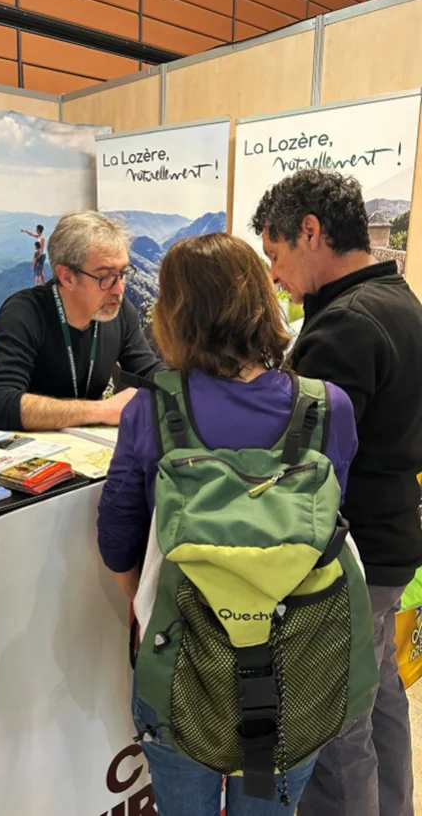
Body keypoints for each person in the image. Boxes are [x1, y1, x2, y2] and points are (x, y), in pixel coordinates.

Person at [97, 233, 359, 816]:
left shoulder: (150, 409)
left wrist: (151, 603)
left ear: (173, 316)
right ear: (262, 303)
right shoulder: (326, 407)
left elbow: (117, 543)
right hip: (298, 662)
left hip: (181, 661)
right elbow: (332, 521)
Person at [252, 169, 422, 816]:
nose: (275, 277)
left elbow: (304, 466)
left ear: (311, 232)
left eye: (275, 255)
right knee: (379, 703)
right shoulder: (399, 300)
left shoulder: (344, 327)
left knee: (334, 729)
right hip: (391, 541)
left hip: (347, 554)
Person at [0, 211, 161, 431]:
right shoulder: (24, 313)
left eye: (122, 273)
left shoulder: (120, 312)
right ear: (67, 277)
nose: (119, 289)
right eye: (105, 276)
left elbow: (151, 373)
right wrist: (101, 410)